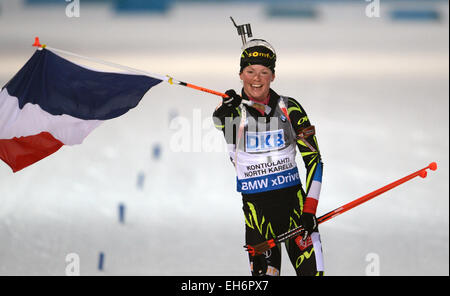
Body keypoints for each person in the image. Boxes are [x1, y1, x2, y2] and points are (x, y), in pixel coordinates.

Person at [212, 39, 324, 276]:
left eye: (264, 72)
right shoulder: (232, 113)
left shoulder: (290, 108)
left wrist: (309, 211)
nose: (257, 78)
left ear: (273, 76)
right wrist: (226, 108)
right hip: (258, 225)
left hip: (297, 216)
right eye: (250, 71)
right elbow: (220, 120)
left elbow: (314, 160)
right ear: (240, 73)